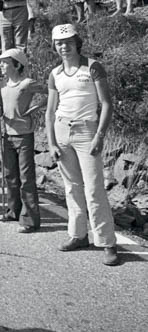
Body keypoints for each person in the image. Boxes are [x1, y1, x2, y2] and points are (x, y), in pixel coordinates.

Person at [45, 24, 118, 265]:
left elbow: (106, 104)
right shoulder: (55, 73)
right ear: (55, 46)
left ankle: (107, 242)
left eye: (68, 42)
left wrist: (99, 136)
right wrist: (52, 142)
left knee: (94, 188)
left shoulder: (92, 66)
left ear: (77, 42)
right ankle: (78, 235)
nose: (64, 46)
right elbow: (50, 111)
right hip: (62, 130)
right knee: (71, 187)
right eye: (59, 43)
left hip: (87, 131)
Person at [0, 48, 44, 234]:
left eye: (5, 62)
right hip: (6, 135)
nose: (1, 65)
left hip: (24, 136)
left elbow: (50, 93)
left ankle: (30, 219)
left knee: (26, 178)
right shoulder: (0, 85)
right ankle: (13, 211)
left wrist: (34, 109)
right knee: (10, 176)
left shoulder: (27, 83)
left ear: (16, 64)